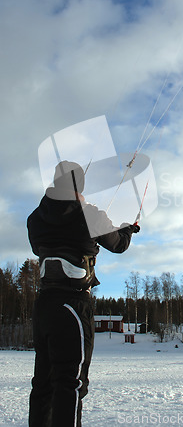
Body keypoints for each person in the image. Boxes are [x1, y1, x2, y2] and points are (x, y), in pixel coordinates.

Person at [27, 160, 139, 427]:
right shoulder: (90, 214)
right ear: (78, 186)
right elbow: (119, 245)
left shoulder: (35, 218)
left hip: (43, 307)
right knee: (70, 384)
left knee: (43, 383)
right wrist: (129, 229)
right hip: (73, 307)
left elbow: (37, 247)